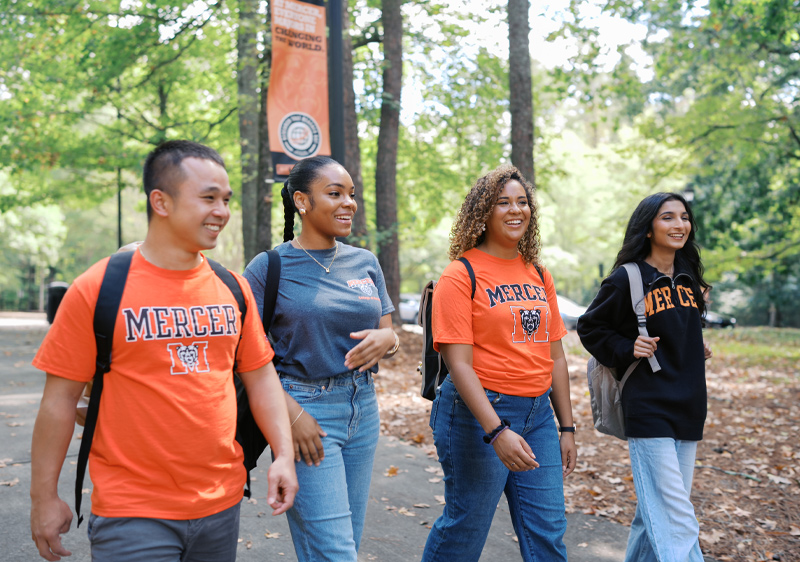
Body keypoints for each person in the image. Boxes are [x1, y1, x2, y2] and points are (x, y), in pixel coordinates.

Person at [29, 140, 298, 562]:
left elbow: (260, 376)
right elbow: (59, 401)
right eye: (208, 198)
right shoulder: (97, 289)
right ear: (161, 202)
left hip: (221, 504)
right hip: (132, 512)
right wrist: (43, 497)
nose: (222, 211)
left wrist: (284, 454)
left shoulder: (232, 287)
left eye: (226, 200)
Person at [243, 156, 397, 561]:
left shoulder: (365, 261)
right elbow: (243, 354)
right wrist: (290, 414)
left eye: (351, 194)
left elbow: (387, 332)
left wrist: (390, 338)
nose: (349, 203)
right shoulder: (268, 267)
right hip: (304, 408)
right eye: (334, 193)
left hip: (363, 407)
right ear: (302, 201)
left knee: (346, 543)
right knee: (335, 552)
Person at [421, 165, 577, 562]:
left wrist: (567, 427)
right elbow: (458, 364)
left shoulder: (539, 274)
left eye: (522, 202)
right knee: (465, 529)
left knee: (548, 533)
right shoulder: (461, 274)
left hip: (538, 416)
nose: (515, 210)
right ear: (483, 213)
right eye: (503, 202)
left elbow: (555, 356)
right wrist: (497, 432)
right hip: (477, 414)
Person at [577, 192, 712, 561]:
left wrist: (693, 344)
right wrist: (627, 347)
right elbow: (590, 327)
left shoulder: (688, 276)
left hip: (689, 405)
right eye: (668, 217)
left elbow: (677, 328)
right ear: (648, 228)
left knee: (655, 511)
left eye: (684, 217)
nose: (679, 224)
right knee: (674, 516)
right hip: (649, 406)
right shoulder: (629, 277)